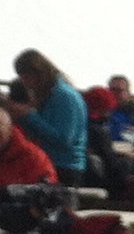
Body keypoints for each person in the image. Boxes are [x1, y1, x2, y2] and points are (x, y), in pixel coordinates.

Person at [10, 50, 89, 178]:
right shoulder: (49, 95)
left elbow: (64, 140)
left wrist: (29, 116)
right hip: (48, 161)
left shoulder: (64, 96)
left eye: (27, 77)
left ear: (39, 73)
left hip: (65, 165)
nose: (24, 82)